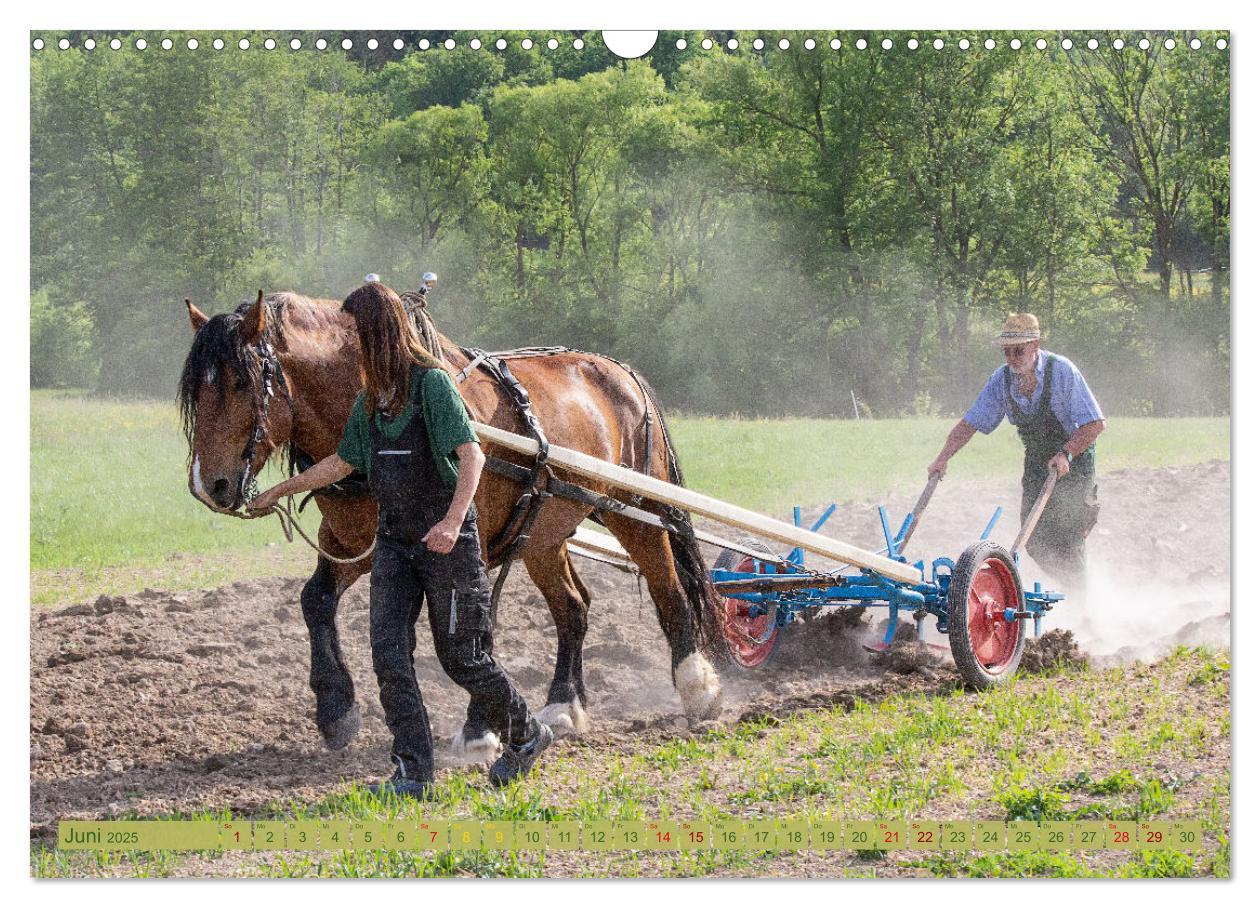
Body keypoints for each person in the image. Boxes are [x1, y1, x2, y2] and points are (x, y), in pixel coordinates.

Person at [247, 281, 552, 797]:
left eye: (354, 335)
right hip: (394, 543)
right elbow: (344, 462)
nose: (350, 346)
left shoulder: (431, 386)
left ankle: (527, 735)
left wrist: (453, 522)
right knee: (389, 657)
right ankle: (413, 772)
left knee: (464, 659)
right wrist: (281, 489)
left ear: (379, 332)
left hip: (446, 544)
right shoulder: (372, 399)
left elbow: (472, 455)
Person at [927, 313, 1106, 584]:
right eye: (1007, 352)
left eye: (1018, 350)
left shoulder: (1062, 371)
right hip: (1037, 462)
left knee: (1069, 537)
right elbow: (971, 422)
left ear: (1035, 346)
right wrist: (942, 459)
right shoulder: (1002, 380)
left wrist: (1066, 453)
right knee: (1033, 540)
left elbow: (1094, 424)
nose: (1012, 358)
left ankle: (1083, 599)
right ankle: (1075, 585)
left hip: (1075, 462)